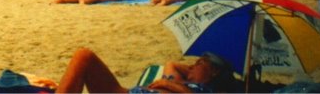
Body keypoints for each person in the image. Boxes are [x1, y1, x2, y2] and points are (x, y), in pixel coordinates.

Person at [52, 48, 236, 93]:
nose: (192, 66)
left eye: (200, 63)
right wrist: (186, 75)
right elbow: (171, 64)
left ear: (214, 72)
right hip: (128, 92)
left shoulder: (209, 90)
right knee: (83, 55)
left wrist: (168, 84)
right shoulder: (182, 82)